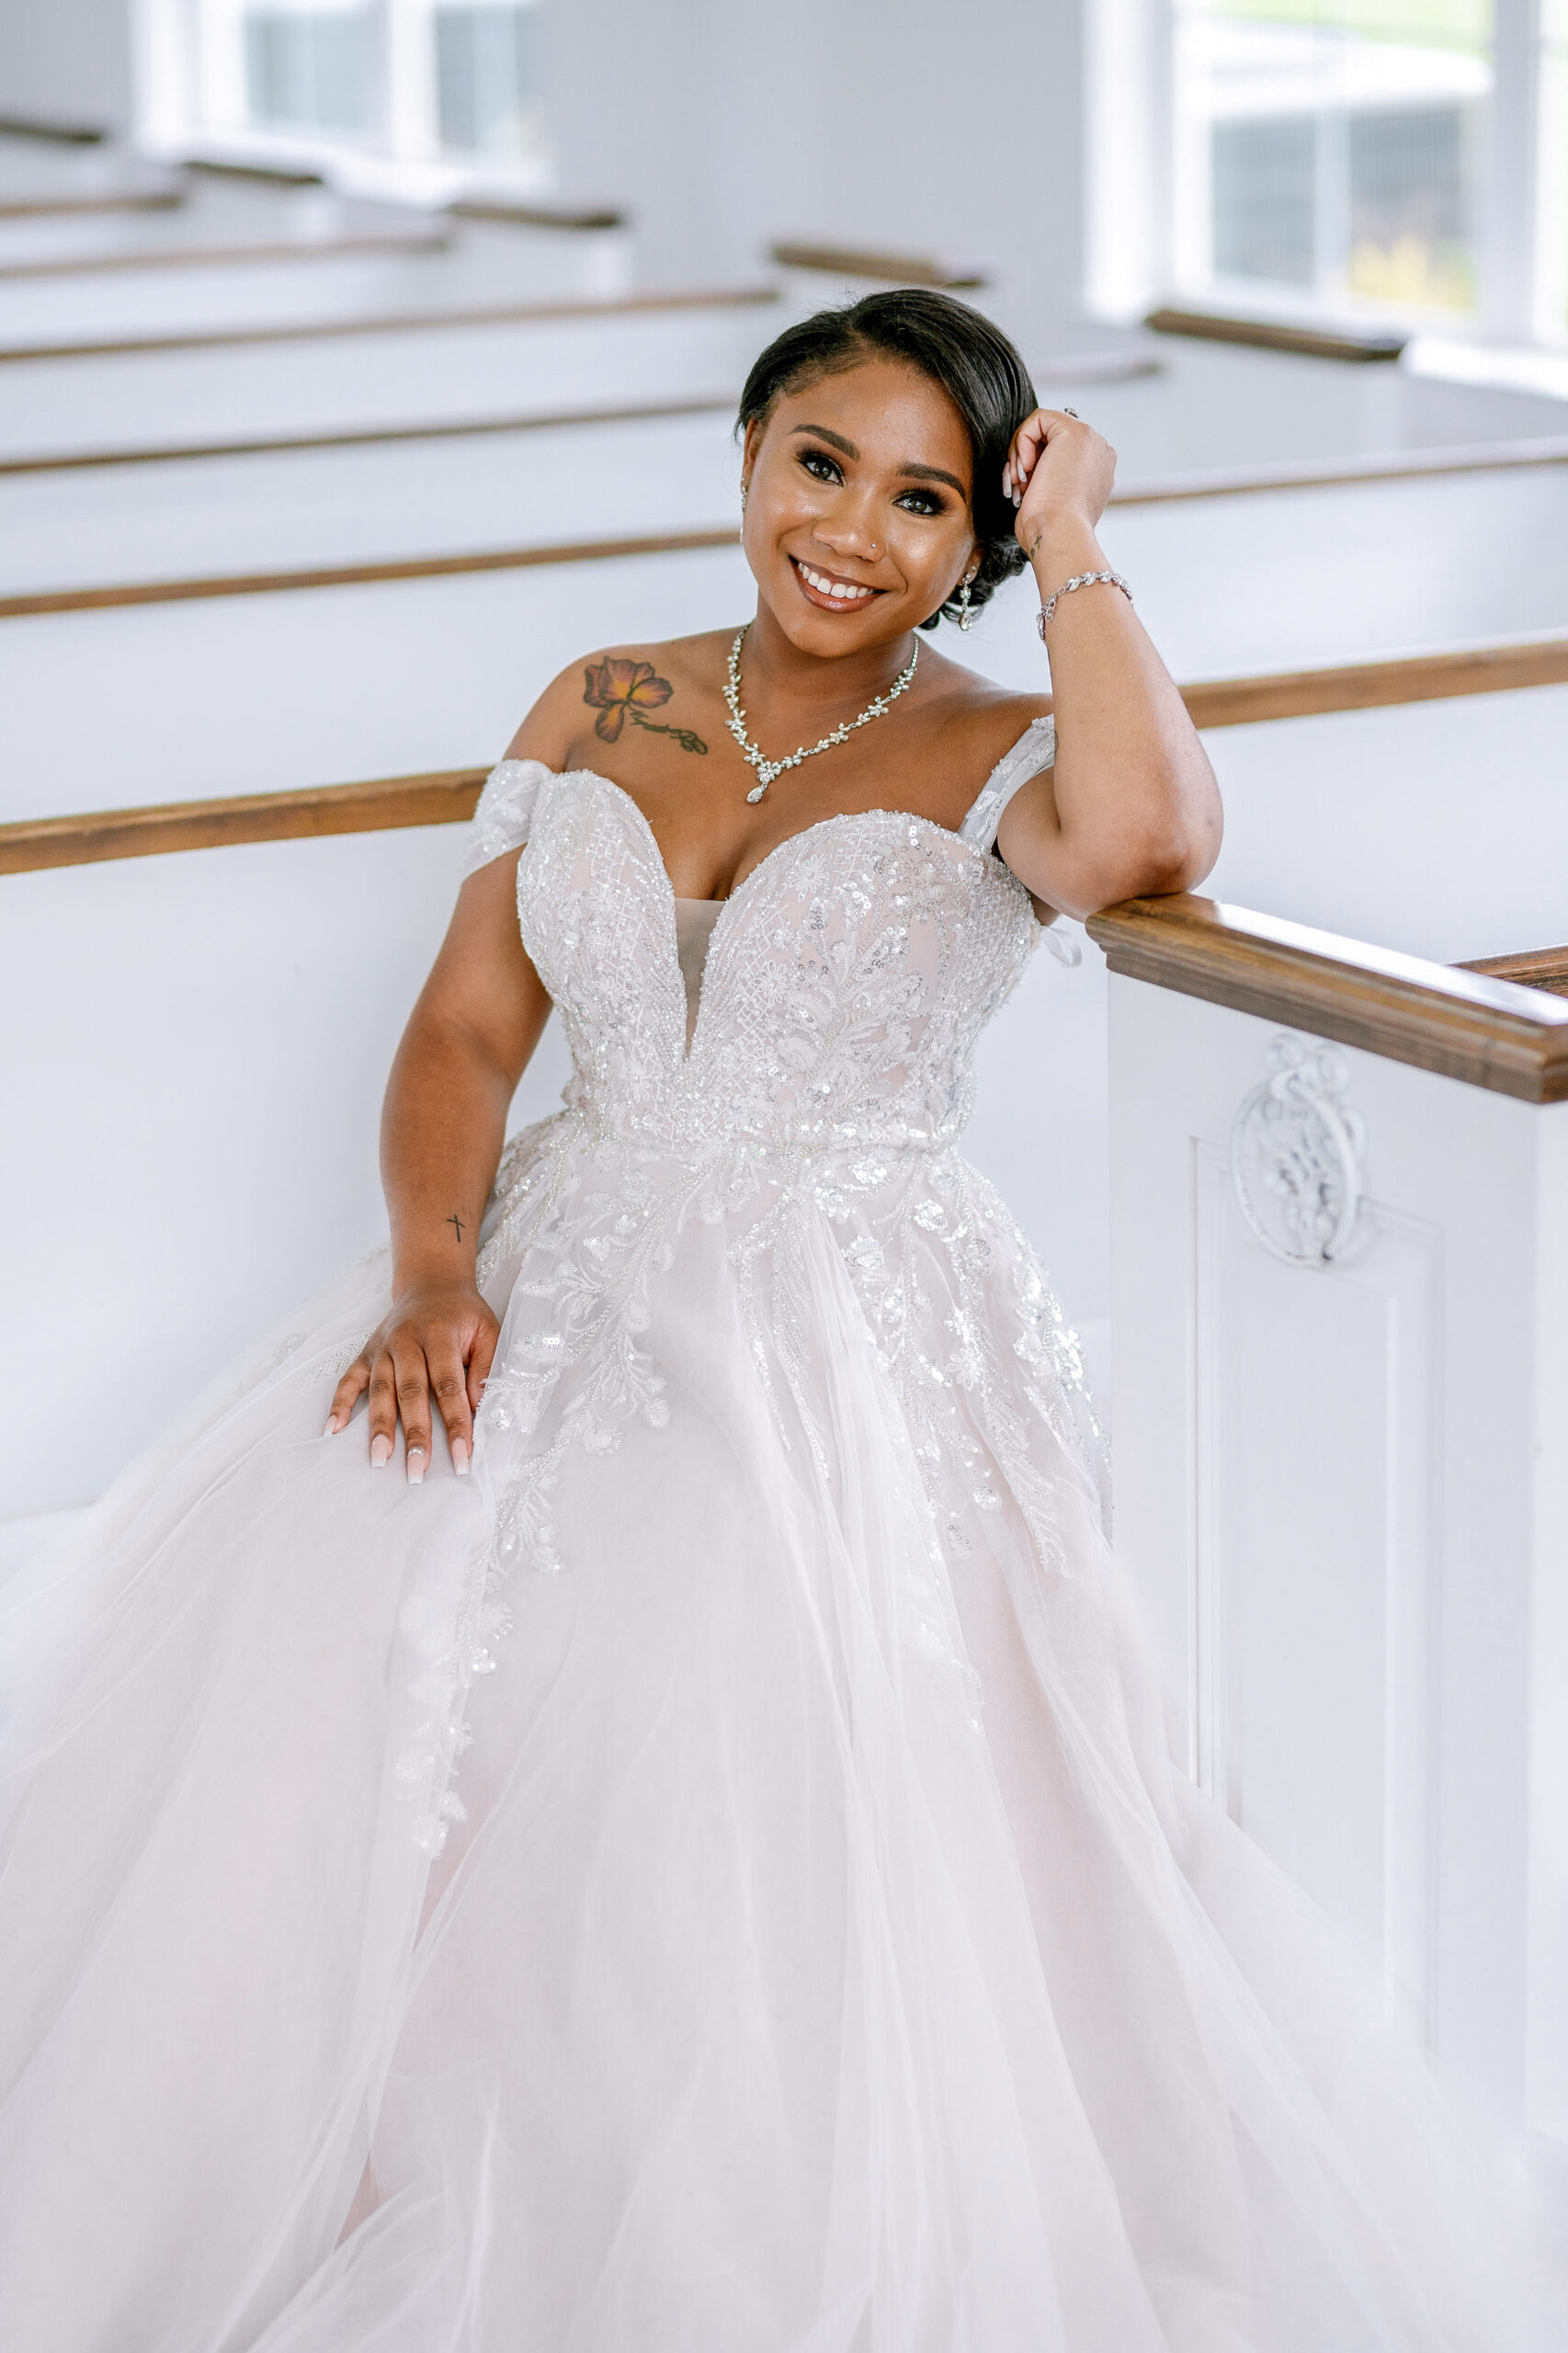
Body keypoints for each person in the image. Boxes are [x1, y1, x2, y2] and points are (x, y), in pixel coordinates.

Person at [0, 291, 1543, 2351]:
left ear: (975, 541)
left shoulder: (1003, 738)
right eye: (819, 464)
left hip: (846, 1325)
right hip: (549, 1258)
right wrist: (436, 1270)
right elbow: (468, 1028)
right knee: (336, 1703)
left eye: (927, 502)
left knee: (749, 1739)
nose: (853, 532)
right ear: (747, 457)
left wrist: (1075, 539)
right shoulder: (597, 697)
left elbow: (1158, 836)